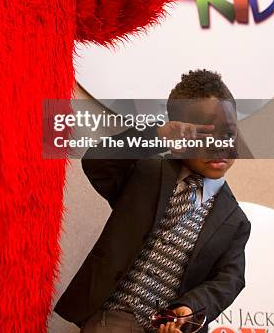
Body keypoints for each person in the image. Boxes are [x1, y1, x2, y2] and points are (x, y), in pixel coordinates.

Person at [55, 70, 251, 332]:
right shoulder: (146, 173)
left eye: (228, 134)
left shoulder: (236, 221)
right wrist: (157, 135)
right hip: (115, 316)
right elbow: (97, 161)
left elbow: (230, 278)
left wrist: (190, 307)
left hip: (169, 326)